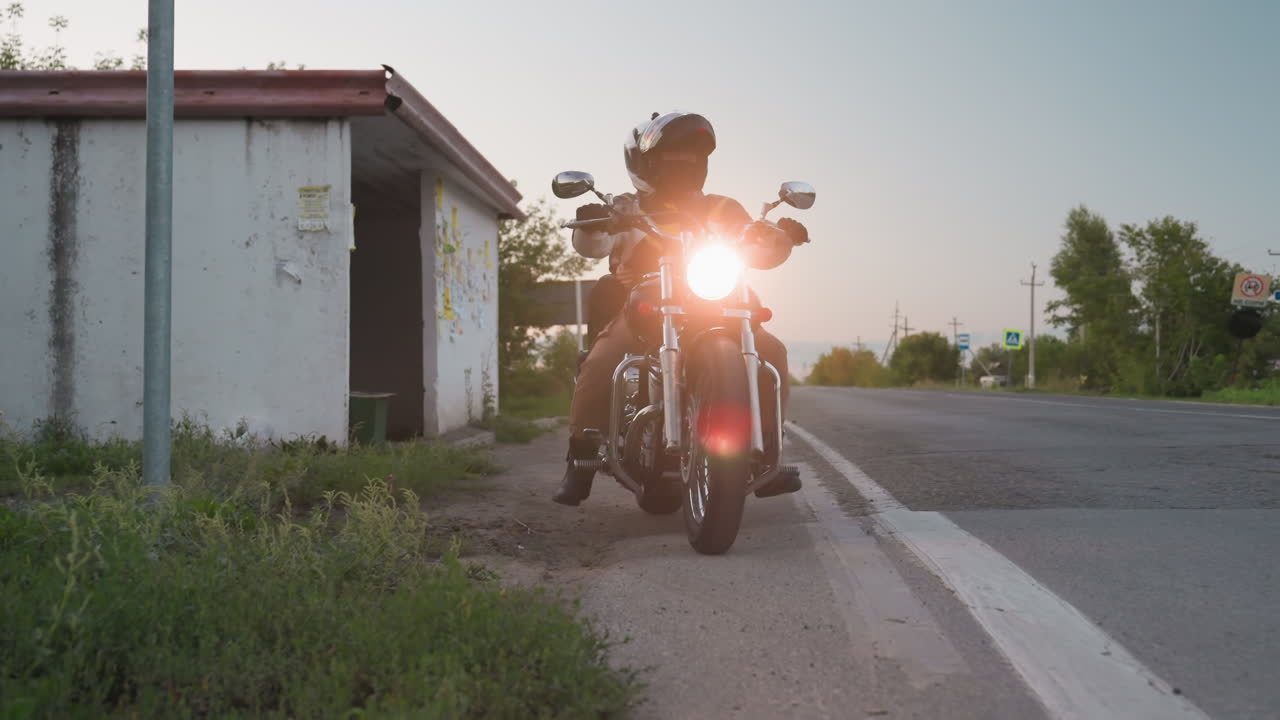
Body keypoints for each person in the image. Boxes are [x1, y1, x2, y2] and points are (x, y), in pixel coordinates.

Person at [554, 111, 809, 506]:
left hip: (717, 301)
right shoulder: (624, 206)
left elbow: (759, 251)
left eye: (691, 159)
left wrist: (781, 237)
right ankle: (581, 457)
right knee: (602, 360)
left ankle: (765, 454)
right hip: (646, 307)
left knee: (772, 352)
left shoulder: (725, 208)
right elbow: (594, 246)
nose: (683, 166)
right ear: (644, 164)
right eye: (672, 159)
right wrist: (591, 224)